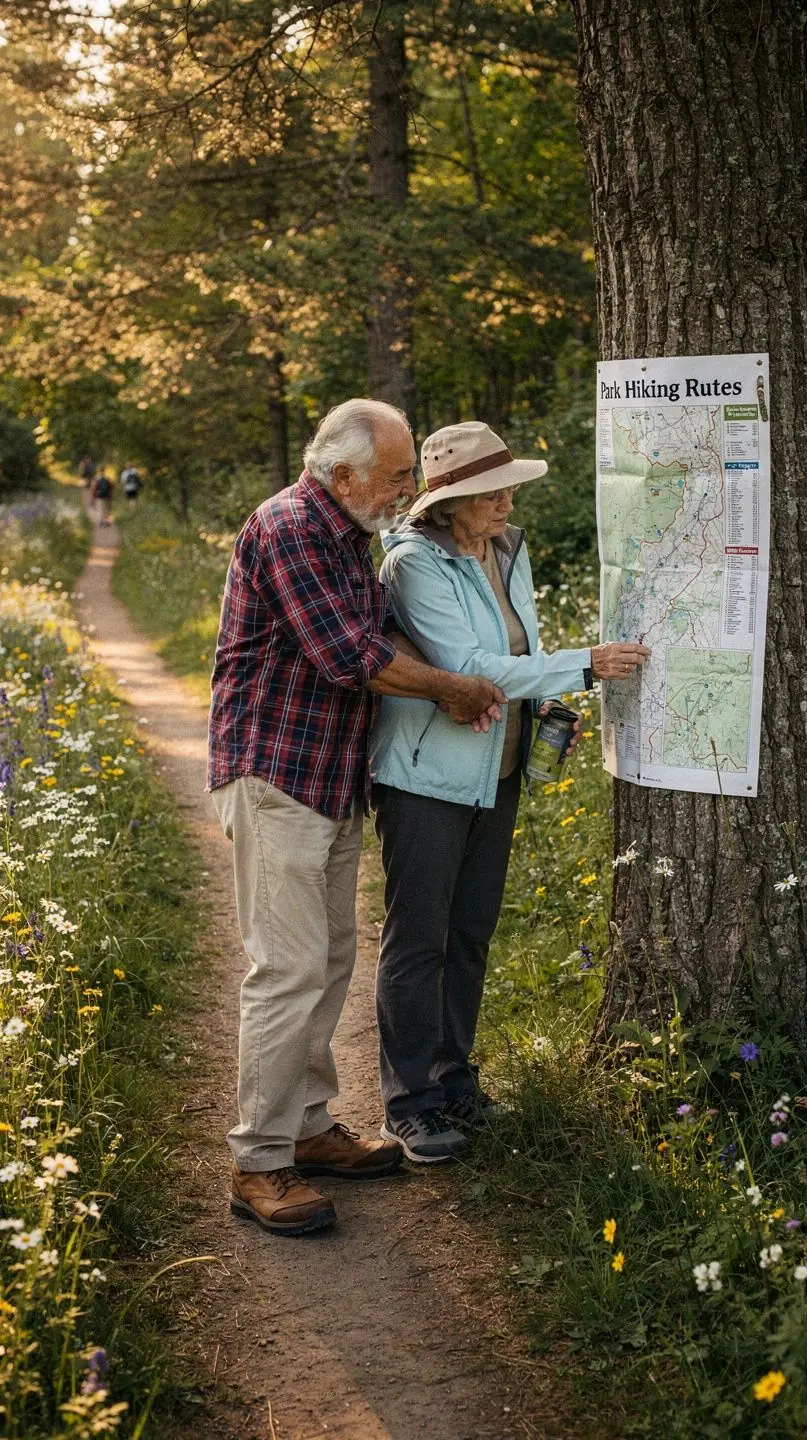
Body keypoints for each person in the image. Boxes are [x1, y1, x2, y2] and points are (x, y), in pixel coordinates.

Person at [207, 399, 507, 1238]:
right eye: (397, 475)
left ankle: (306, 1126)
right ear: (341, 473)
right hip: (276, 774)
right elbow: (351, 656)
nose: (408, 488)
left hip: (329, 780)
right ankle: (259, 1162)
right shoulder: (291, 527)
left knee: (330, 961)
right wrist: (453, 688)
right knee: (287, 970)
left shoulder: (352, 535)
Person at [369, 421, 650, 1163]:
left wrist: (547, 699)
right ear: (450, 501)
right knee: (418, 940)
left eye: (508, 485)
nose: (507, 500)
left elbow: (516, 650)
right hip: (428, 777)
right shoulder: (413, 563)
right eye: (490, 491)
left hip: (498, 767)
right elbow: (468, 664)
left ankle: (453, 1080)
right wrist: (582, 665)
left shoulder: (507, 549)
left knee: (469, 935)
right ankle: (411, 1104)